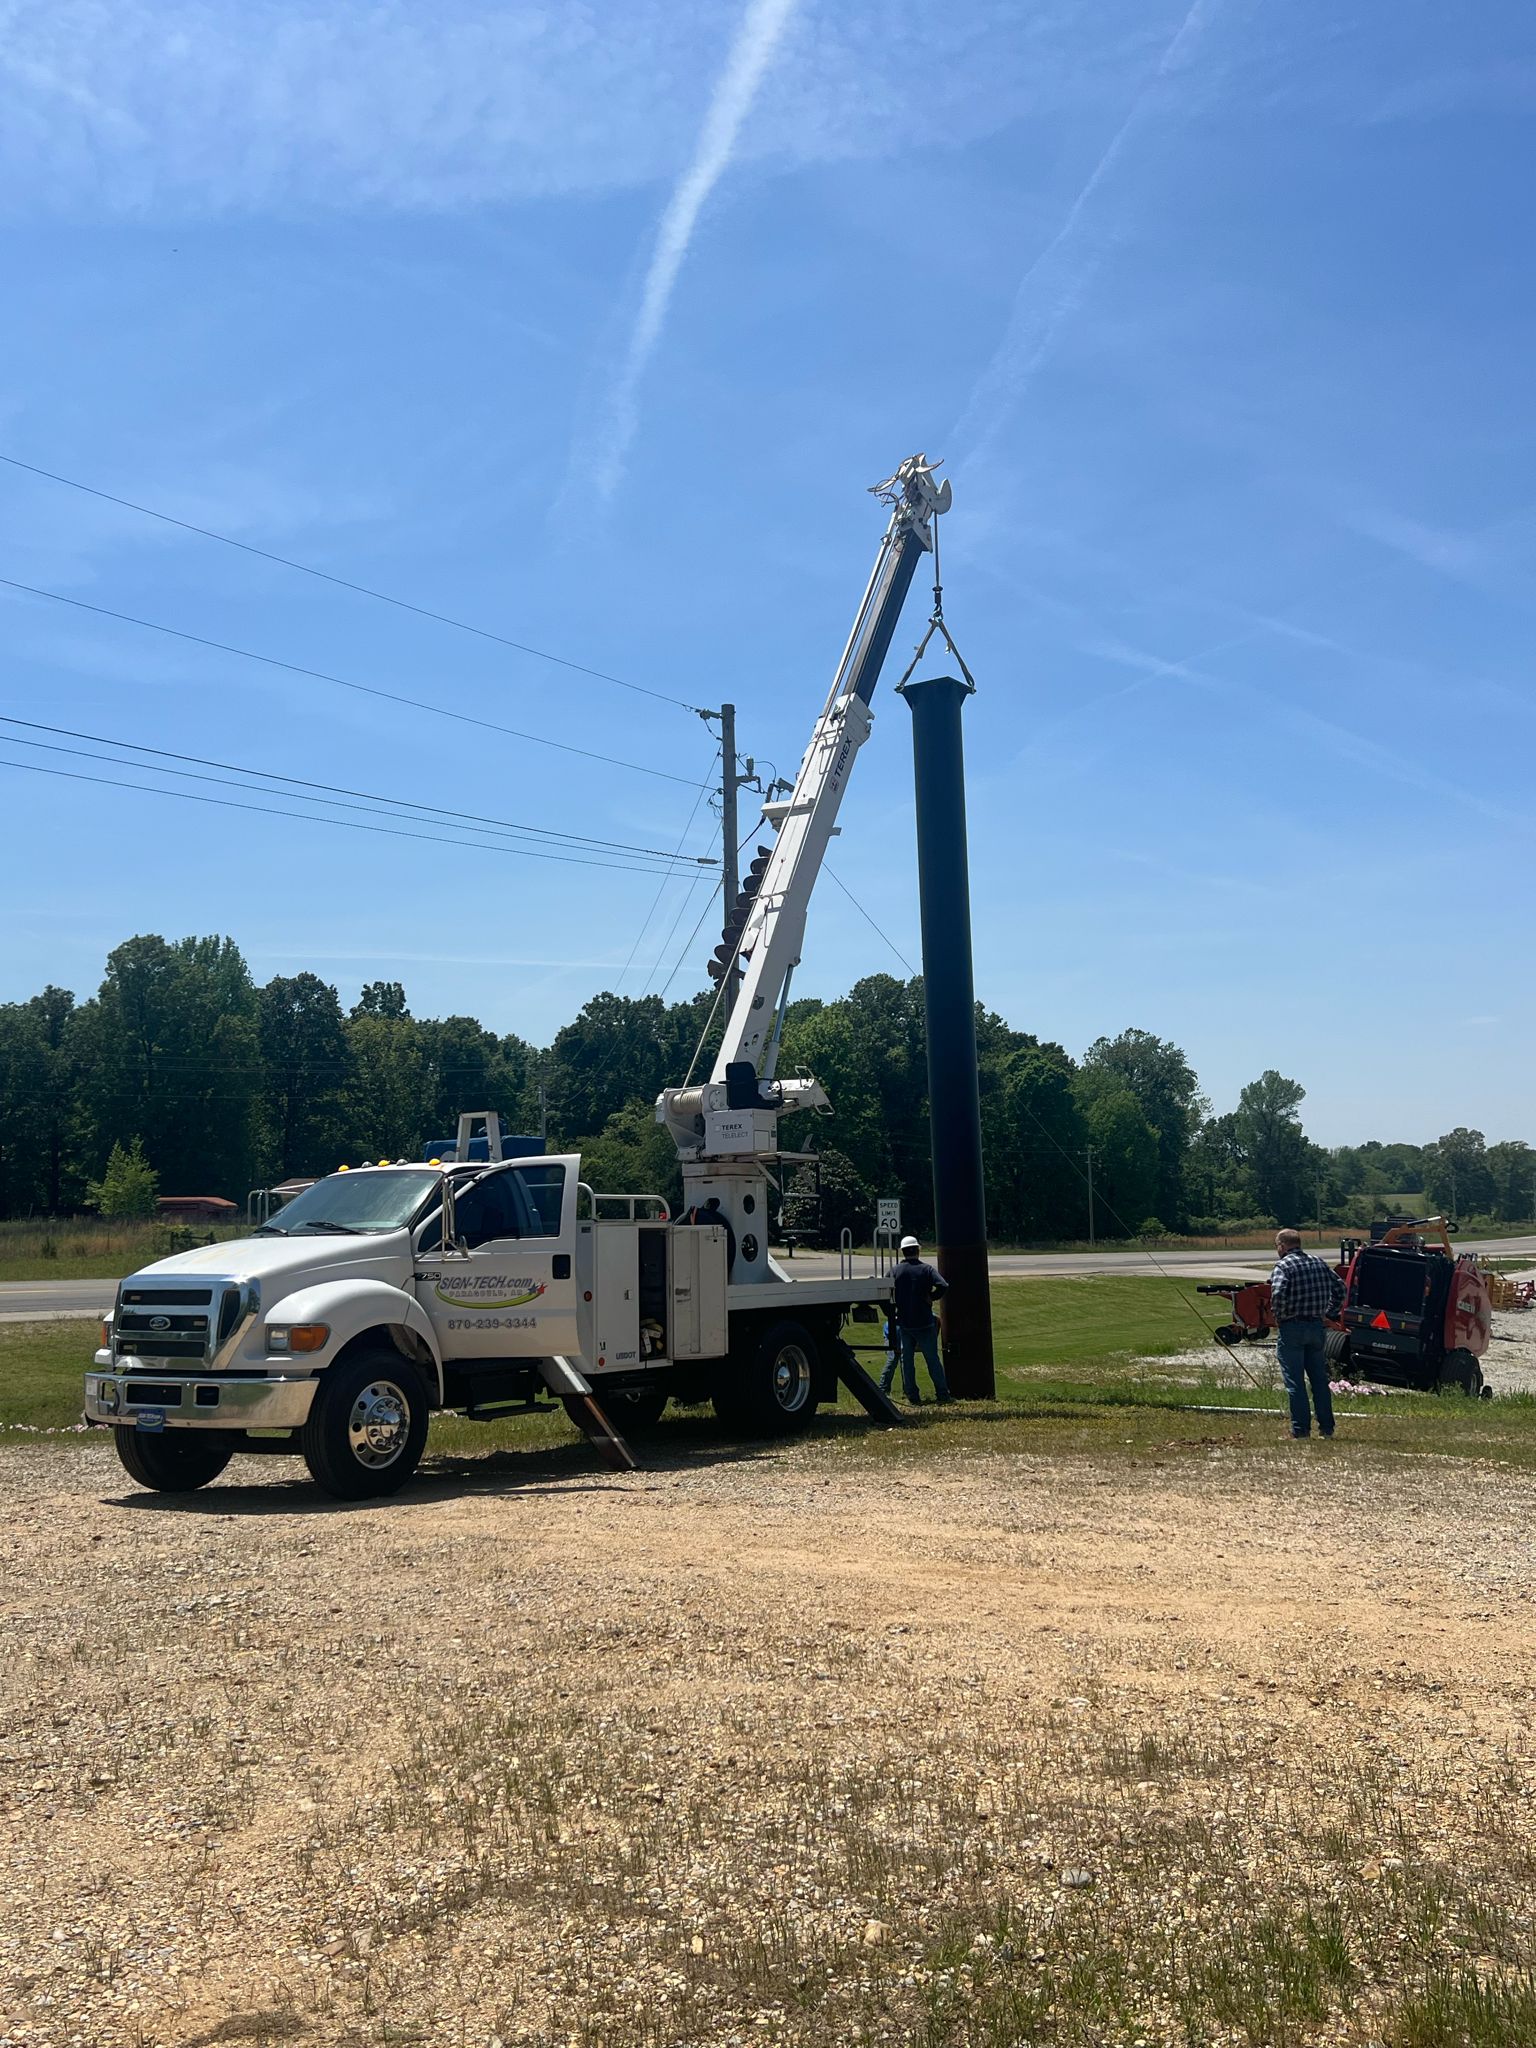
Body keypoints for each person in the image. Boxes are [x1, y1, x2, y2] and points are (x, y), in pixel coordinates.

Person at [1270, 1227, 1345, 1439]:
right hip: (1316, 1327)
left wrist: (1281, 1315)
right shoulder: (1318, 1262)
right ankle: (1326, 1428)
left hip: (1292, 1327)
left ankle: (1301, 1430)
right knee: (1319, 1380)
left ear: (1282, 1246)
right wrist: (1329, 1312)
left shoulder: (1283, 1265)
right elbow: (1340, 1288)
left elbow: (1277, 1293)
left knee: (1295, 1382)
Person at [880, 1235, 953, 1405]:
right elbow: (944, 1285)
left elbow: (883, 1291)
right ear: (917, 1250)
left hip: (905, 1323)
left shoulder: (895, 1271)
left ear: (903, 1251)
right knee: (932, 1360)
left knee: (907, 1361)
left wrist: (891, 1313)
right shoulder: (926, 1269)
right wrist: (932, 1297)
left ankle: (913, 1396)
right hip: (925, 1322)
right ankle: (942, 1394)